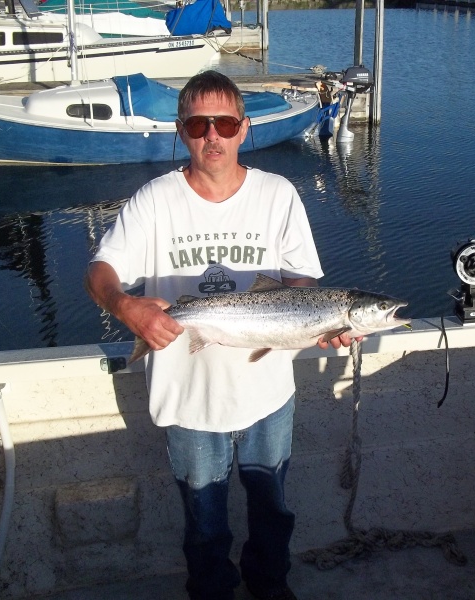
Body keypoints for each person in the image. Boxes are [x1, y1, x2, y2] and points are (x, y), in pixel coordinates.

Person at [85, 70, 354, 600]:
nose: (213, 135)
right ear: (180, 130)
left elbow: (303, 282)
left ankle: (269, 587)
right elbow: (101, 271)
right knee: (205, 525)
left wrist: (324, 323)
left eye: (225, 123)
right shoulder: (154, 201)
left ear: (244, 129)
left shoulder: (278, 195)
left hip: (267, 398)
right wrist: (127, 307)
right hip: (189, 402)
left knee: (273, 512)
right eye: (200, 124)